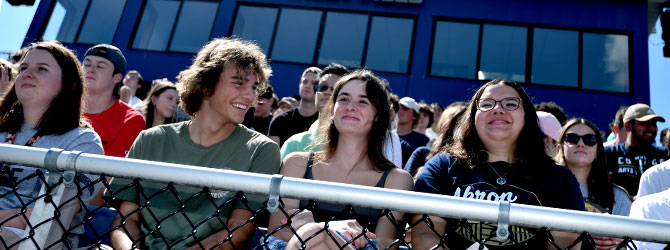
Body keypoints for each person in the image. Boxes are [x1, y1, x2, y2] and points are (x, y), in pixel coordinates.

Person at [106, 37, 280, 250]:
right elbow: (126, 220)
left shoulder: (262, 150)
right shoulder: (150, 140)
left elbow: (239, 228)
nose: (250, 95)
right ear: (206, 86)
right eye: (238, 82)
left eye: (254, 86)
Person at [411, 80, 585, 249]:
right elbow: (425, 234)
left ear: (527, 116)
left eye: (510, 104)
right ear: (472, 117)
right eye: (486, 104)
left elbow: (565, 244)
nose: (497, 109)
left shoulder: (559, 179)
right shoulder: (442, 166)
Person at [266, 69, 414, 250]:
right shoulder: (296, 164)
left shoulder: (397, 180)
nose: (351, 106)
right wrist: (326, 230)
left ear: (377, 115)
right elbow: (277, 234)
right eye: (343, 99)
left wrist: (315, 230)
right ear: (332, 110)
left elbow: (384, 244)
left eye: (363, 101)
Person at [0, 41, 104, 248]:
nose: (27, 74)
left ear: (69, 84)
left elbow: (55, 212)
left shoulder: (82, 141)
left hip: (38, 238)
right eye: (23, 68)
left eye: (41, 69)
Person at [555, 118, 632, 218]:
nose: (581, 144)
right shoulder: (542, 188)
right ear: (560, 148)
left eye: (589, 140)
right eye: (571, 138)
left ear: (598, 151)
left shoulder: (618, 196)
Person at [82, 44, 145, 158]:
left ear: (117, 78)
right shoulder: (57, 107)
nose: (90, 70)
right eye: (86, 64)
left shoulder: (131, 120)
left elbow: (110, 173)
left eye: (100, 66)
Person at [279, 63, 348, 160]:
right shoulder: (294, 144)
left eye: (335, 88)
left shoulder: (360, 147)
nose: (327, 92)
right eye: (323, 87)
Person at [605, 103, 667, 196]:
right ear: (628, 126)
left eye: (654, 123)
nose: (652, 128)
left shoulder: (665, 155)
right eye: (645, 123)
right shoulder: (610, 154)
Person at [404, 102, 466, 177]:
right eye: (457, 122)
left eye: (466, 122)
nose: (462, 128)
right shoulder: (421, 155)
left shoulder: (478, 164)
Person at [268, 67, 321, 146]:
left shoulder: (323, 122)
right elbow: (272, 154)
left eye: (313, 83)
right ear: (300, 84)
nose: (307, 85)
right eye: (305, 82)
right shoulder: (280, 120)